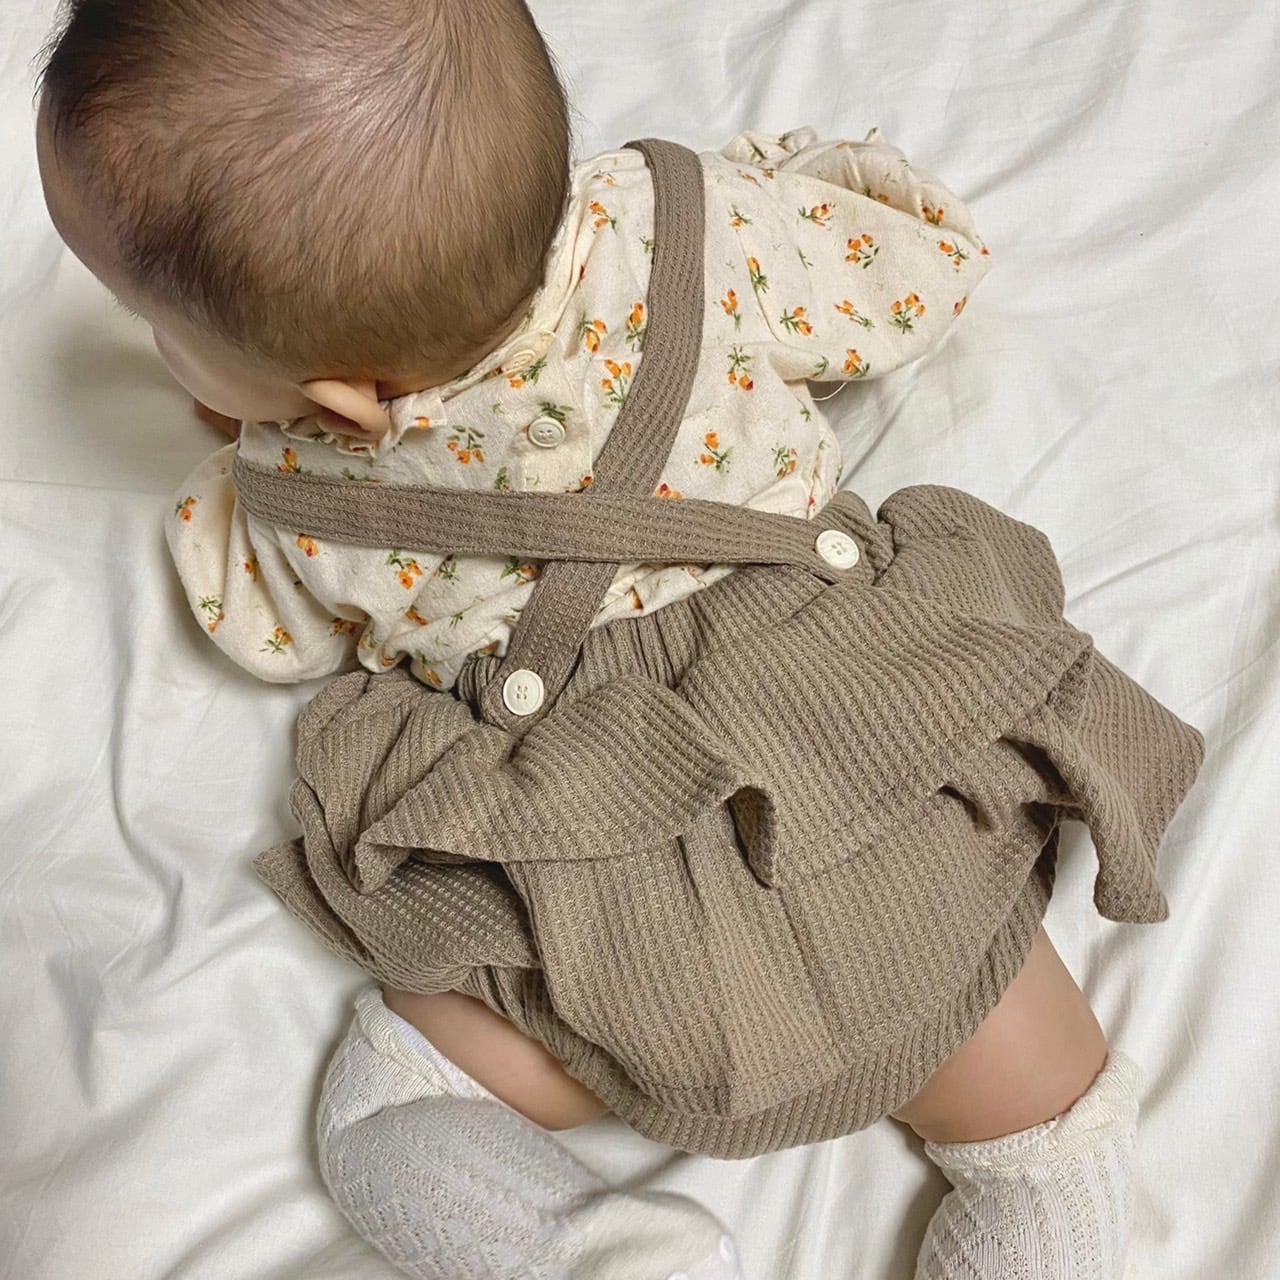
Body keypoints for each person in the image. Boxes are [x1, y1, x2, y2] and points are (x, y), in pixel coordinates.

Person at [34, 1, 1204, 1276]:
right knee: (1050, 1143)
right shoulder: (691, 226)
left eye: (159, 328)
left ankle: (597, 1253)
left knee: (385, 1113)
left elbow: (262, 631)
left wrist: (251, 446)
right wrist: (823, 180)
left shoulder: (307, 501)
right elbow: (911, 268)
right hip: (874, 787)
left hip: (618, 923)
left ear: (342, 402)